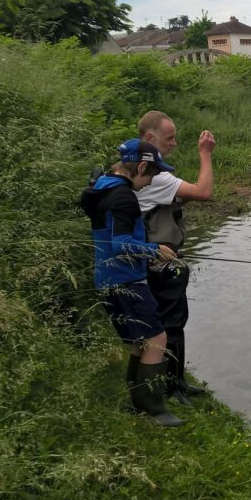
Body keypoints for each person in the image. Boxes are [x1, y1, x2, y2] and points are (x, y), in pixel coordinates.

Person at [81, 139, 184, 427]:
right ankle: (153, 411)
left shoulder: (103, 187)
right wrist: (155, 251)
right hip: (125, 281)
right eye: (150, 175)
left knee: (140, 342)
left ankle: (138, 405)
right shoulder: (124, 197)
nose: (150, 182)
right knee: (157, 339)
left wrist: (146, 257)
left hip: (109, 278)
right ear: (140, 166)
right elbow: (120, 244)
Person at [136, 111, 216, 405]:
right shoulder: (154, 176)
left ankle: (177, 381)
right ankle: (172, 388)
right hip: (159, 260)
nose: (173, 143)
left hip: (157, 257)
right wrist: (205, 154)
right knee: (171, 322)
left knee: (173, 320)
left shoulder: (143, 169)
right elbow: (204, 192)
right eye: (169, 138)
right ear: (149, 138)